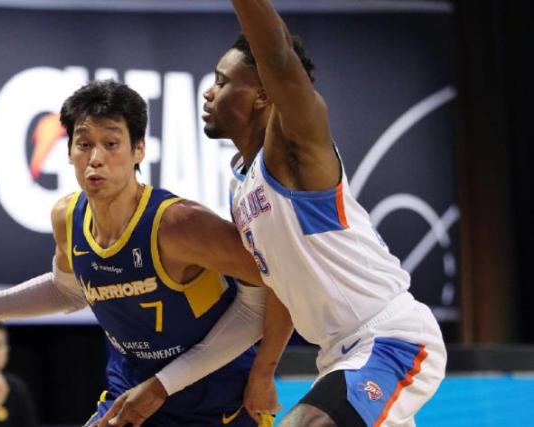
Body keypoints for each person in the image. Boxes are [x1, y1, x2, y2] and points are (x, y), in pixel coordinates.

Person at [101, 1, 448, 426]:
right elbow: (275, 293)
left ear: (263, 94)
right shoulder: (241, 186)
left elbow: (280, 58)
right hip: (337, 354)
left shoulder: (294, 150)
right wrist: (261, 372)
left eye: (222, 82)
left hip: (389, 336)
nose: (209, 92)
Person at [0, 80, 283, 426]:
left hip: (219, 403)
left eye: (111, 144)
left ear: (139, 149)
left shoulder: (178, 224)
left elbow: (275, 289)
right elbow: (67, 290)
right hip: (130, 394)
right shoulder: (67, 218)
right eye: (84, 144)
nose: (95, 159)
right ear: (69, 151)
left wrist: (263, 372)